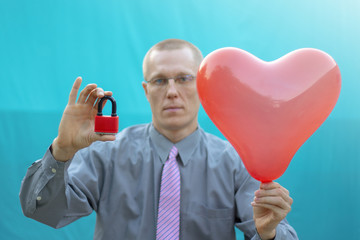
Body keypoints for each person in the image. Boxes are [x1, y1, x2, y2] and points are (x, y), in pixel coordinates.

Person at [20, 39, 298, 240]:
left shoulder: (235, 162)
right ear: (146, 90)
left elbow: (270, 228)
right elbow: (45, 211)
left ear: (203, 85)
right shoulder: (105, 154)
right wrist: (62, 151)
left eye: (184, 78)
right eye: (160, 81)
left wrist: (269, 234)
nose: (173, 91)